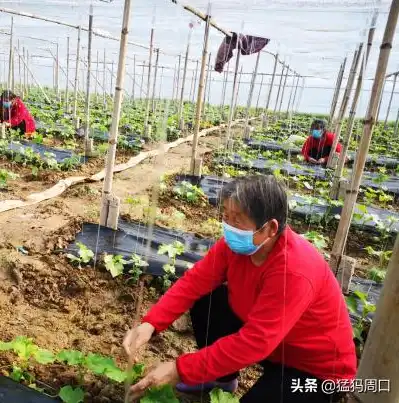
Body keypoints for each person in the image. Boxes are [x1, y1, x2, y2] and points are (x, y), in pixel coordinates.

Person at [123, 175, 357, 403]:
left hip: (314, 370)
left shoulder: (295, 270)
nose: (228, 225)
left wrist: (179, 368)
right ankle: (219, 379)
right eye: (226, 215)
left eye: (237, 219)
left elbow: (255, 342)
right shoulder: (233, 247)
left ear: (270, 228)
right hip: (274, 344)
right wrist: (150, 324)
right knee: (207, 297)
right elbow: (194, 282)